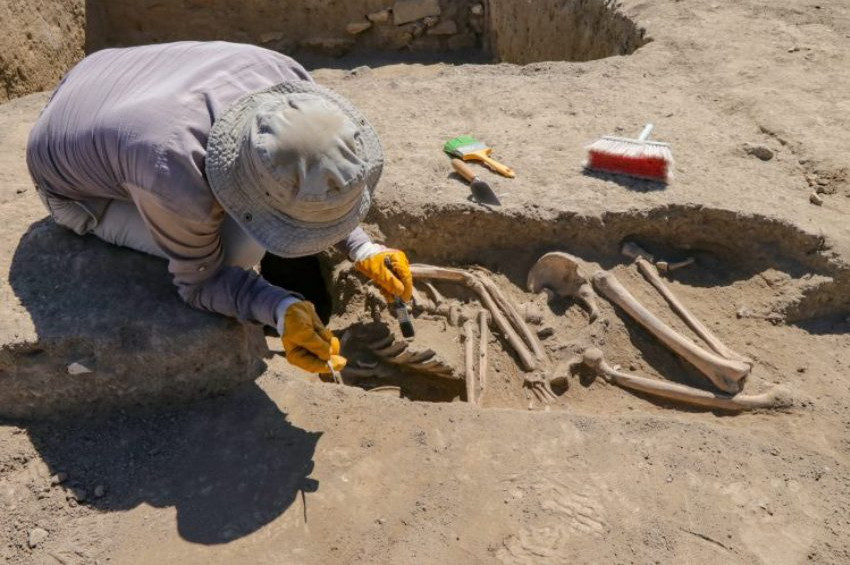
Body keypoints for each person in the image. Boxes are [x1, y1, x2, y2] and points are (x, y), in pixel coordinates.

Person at [26, 41, 413, 375]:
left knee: (234, 226)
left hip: (102, 74)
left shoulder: (287, 81)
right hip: (71, 182)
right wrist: (279, 307)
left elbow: (306, 166)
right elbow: (200, 282)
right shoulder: (173, 176)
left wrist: (363, 247)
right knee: (240, 247)